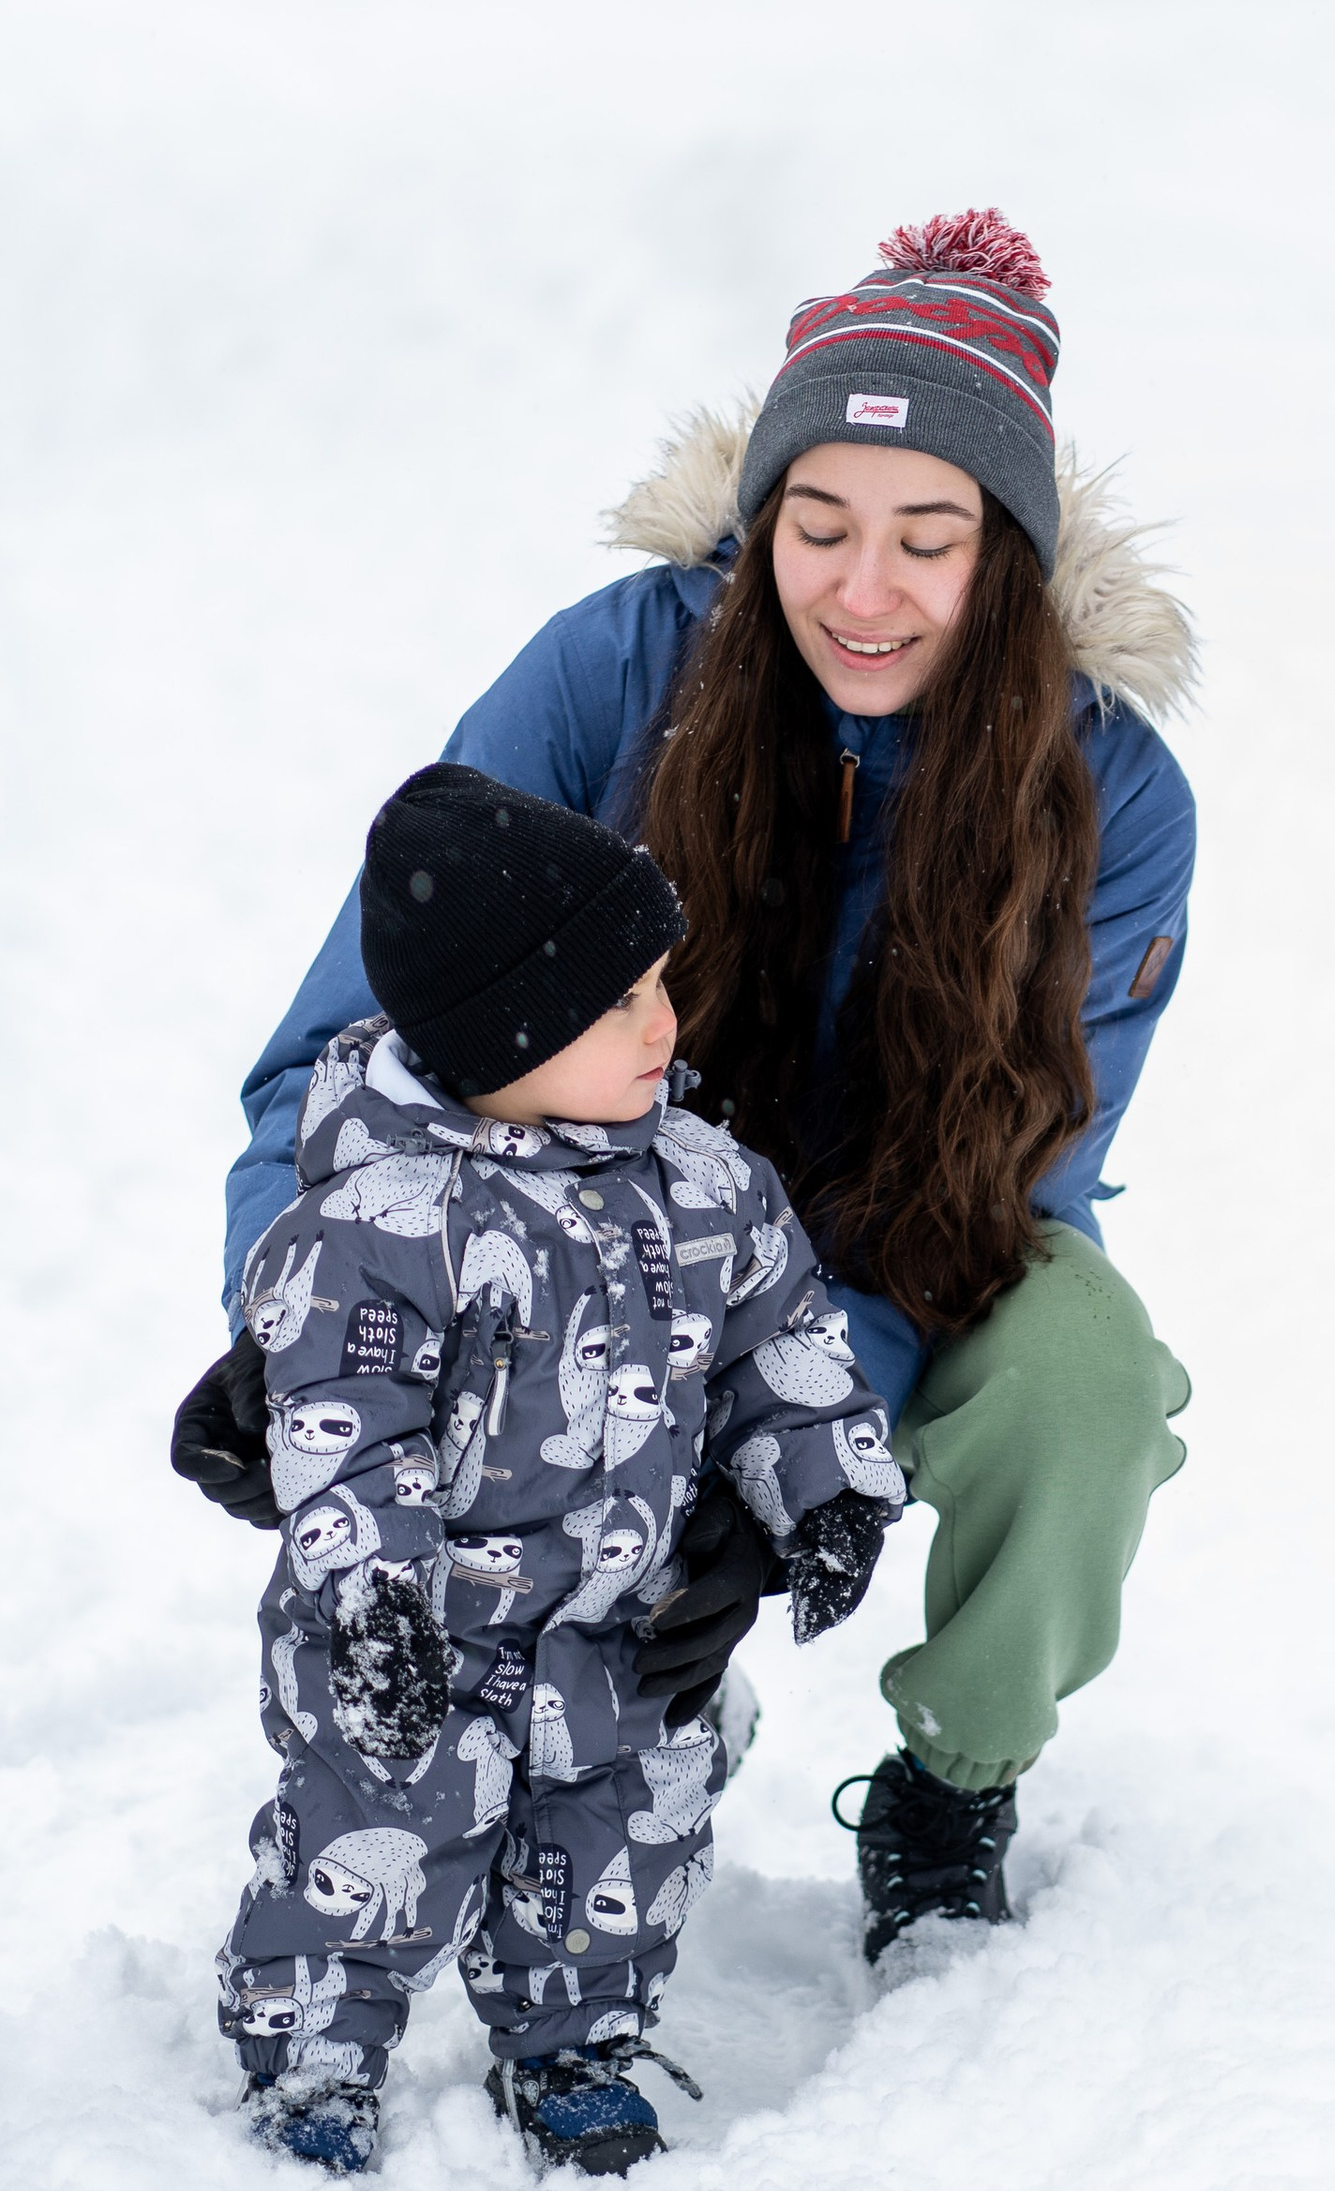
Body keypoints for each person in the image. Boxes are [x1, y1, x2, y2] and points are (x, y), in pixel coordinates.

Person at [176, 210, 1196, 1959]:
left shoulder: (1114, 795)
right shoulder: (616, 667)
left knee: (1086, 1378)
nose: (862, 592)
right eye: (820, 526)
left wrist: (769, 1462)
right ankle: (589, 1719)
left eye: (928, 541)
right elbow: (360, 1034)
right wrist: (293, 1314)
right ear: (762, 518)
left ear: (1010, 558)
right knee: (481, 1317)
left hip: (906, 1257)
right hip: (581, 1227)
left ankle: (956, 1778)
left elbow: (1010, 1178)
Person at [224, 763, 907, 2178]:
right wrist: (378, 1605)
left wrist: (827, 1493)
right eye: (618, 1003)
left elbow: (782, 1345)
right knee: (372, 1841)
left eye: (659, 983)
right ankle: (315, 2053)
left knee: (620, 1851)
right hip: (417, 1644)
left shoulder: (707, 1186)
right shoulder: (375, 1228)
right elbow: (347, 1435)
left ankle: (577, 2045)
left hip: (621, 1624)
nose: (666, 1022)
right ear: (499, 1038)